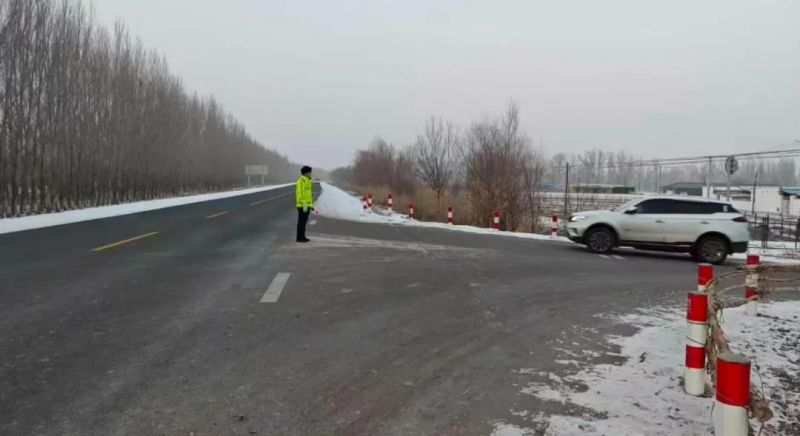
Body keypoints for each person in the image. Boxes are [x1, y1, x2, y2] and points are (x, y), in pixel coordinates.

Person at [295, 165, 314, 242]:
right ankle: (300, 238)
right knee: (301, 222)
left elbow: (308, 195)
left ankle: (302, 236)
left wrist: (311, 205)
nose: (310, 174)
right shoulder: (301, 181)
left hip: (307, 205)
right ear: (306, 173)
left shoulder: (308, 181)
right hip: (302, 205)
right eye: (309, 172)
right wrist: (304, 204)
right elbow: (300, 193)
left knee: (304, 222)